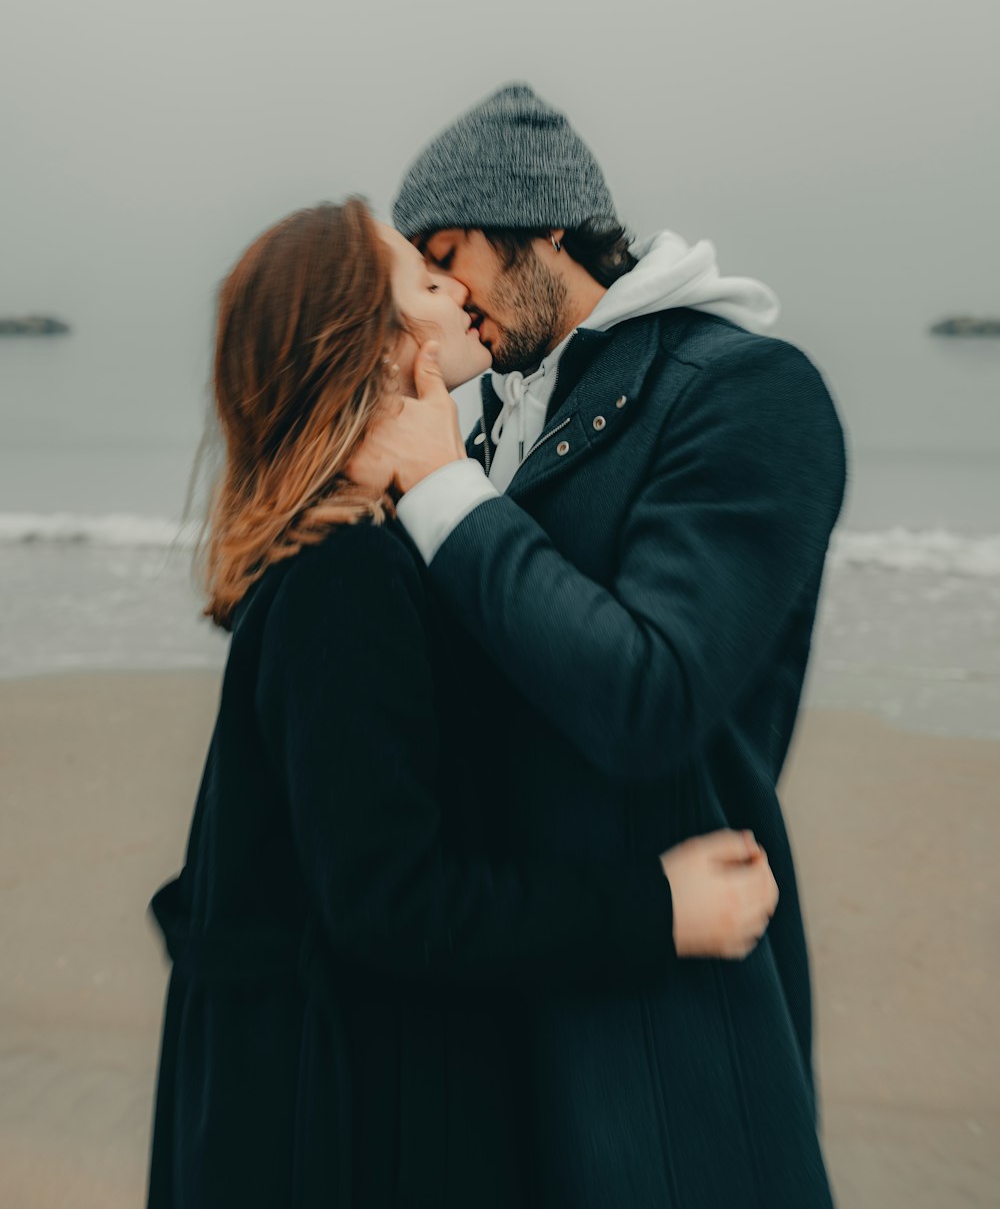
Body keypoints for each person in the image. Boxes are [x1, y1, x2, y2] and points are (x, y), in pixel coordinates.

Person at [145, 198, 779, 1209]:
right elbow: (392, 900)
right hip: (339, 1132)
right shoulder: (344, 579)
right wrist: (656, 907)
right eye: (422, 274)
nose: (453, 287)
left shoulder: (365, 552)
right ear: (377, 342)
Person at [356, 83, 848, 1208]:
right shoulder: (488, 414)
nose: (442, 294)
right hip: (492, 999)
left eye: (449, 253)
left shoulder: (744, 393)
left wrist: (439, 486)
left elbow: (651, 694)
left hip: (661, 1046)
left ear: (534, 228)